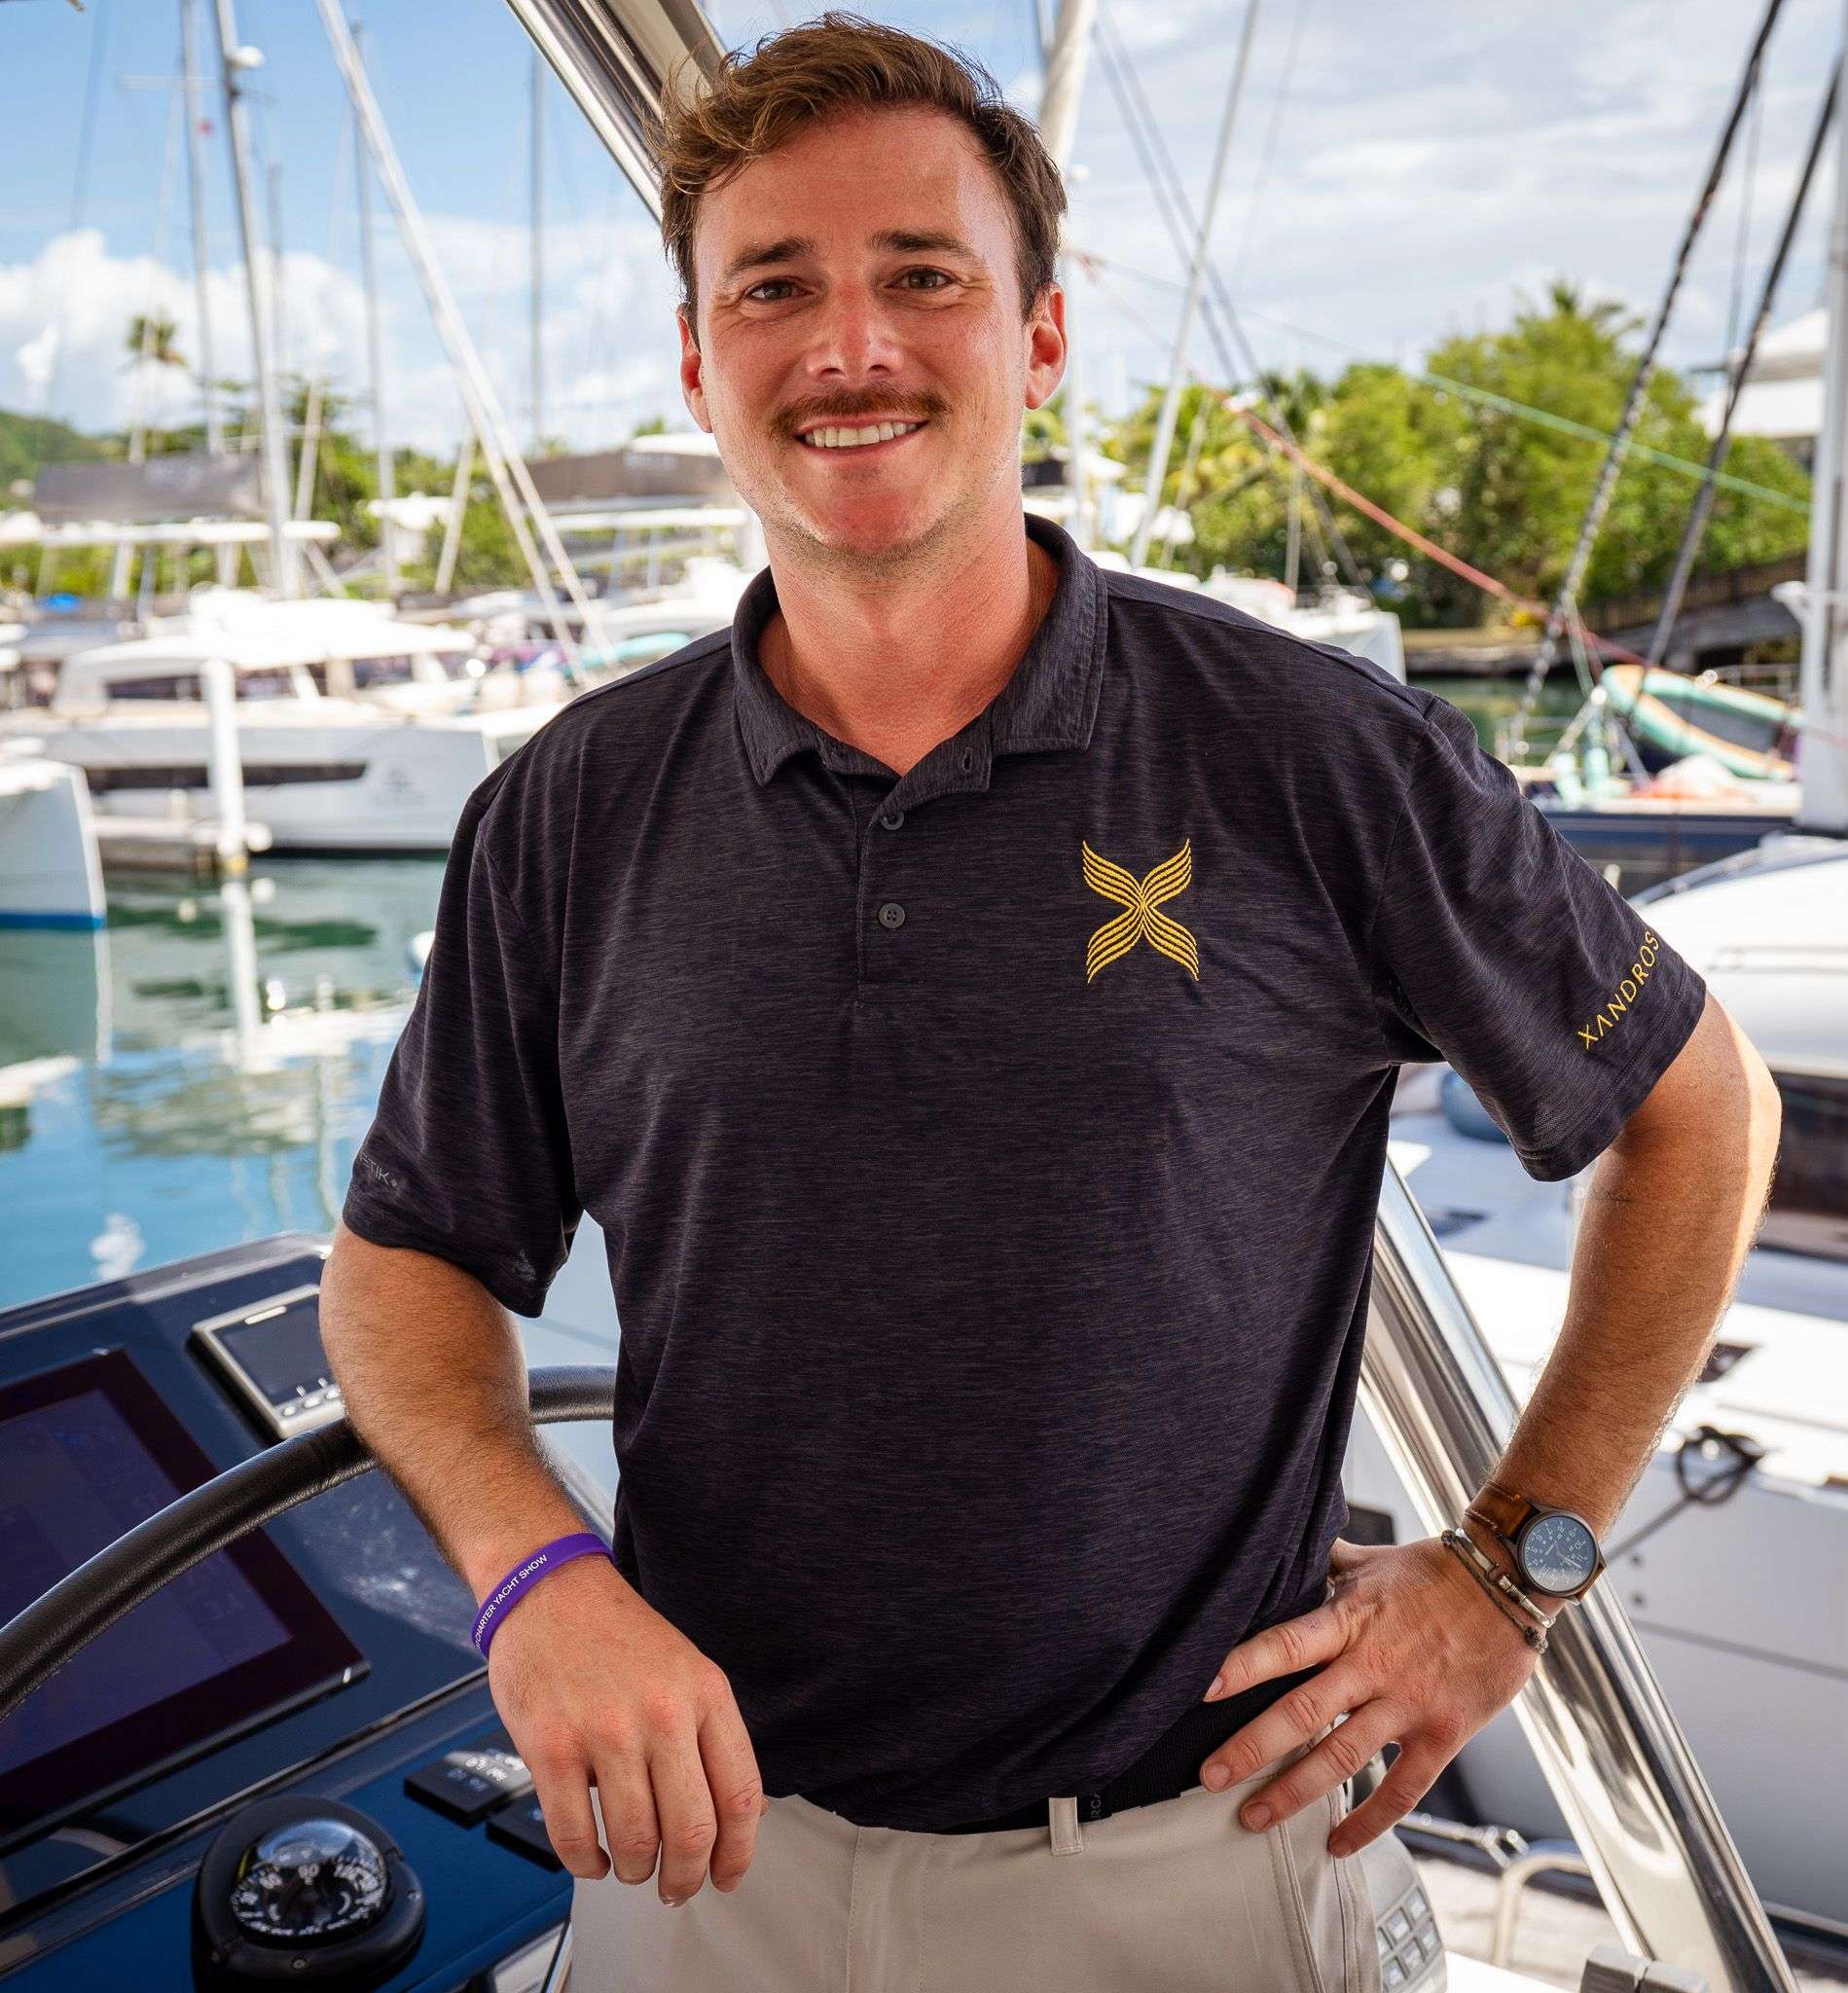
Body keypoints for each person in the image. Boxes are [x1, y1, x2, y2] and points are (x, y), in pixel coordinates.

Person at [321, 15, 1783, 1990]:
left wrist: (1508, 1571)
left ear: (1039, 339)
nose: (849, 347)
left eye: (922, 276)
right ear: (697, 364)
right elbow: (409, 1257)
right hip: (704, 1873)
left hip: (1193, 1873)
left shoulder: (1303, 751)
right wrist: (536, 1572)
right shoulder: (569, 809)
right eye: (774, 289)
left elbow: (1701, 1111)